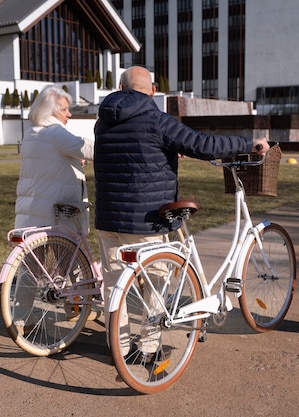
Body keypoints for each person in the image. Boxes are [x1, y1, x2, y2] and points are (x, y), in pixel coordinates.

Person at [94, 65, 269, 357]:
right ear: (151, 90)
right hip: (145, 220)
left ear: (122, 89)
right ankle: (149, 348)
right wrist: (248, 143)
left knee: (114, 286)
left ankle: (119, 348)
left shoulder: (104, 121)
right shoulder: (156, 119)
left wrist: (164, 150)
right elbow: (204, 144)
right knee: (158, 283)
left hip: (108, 217)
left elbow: (131, 152)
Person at [14, 86, 94, 234]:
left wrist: (74, 160)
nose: (69, 114)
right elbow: (89, 149)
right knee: (61, 256)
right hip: (52, 215)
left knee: (34, 256)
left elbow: (50, 159)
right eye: (64, 110)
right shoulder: (55, 132)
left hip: (31, 212)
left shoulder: (31, 133)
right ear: (50, 111)